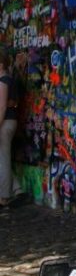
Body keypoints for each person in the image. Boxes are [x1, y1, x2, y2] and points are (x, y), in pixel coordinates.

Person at [0, 50, 19, 212]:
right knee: (3, 158)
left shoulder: (4, 81)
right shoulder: (8, 79)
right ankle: (17, 189)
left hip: (4, 123)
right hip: (8, 122)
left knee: (3, 159)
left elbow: (2, 106)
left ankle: (4, 197)